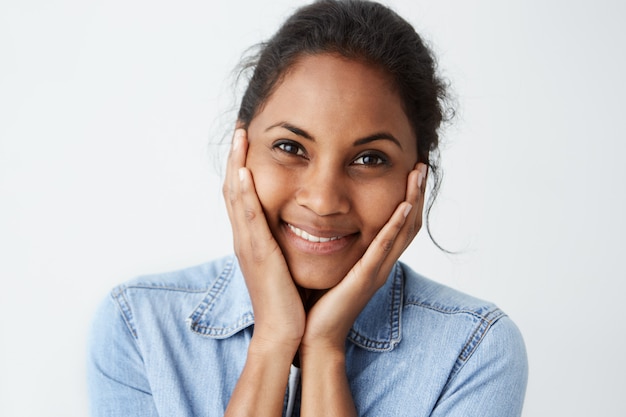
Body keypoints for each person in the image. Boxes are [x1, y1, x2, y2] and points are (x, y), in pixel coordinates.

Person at [87, 1, 528, 416]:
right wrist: (274, 339)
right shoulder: (139, 325)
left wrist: (325, 349)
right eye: (289, 147)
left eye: (369, 159)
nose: (321, 200)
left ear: (416, 179)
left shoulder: (473, 349)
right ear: (239, 154)